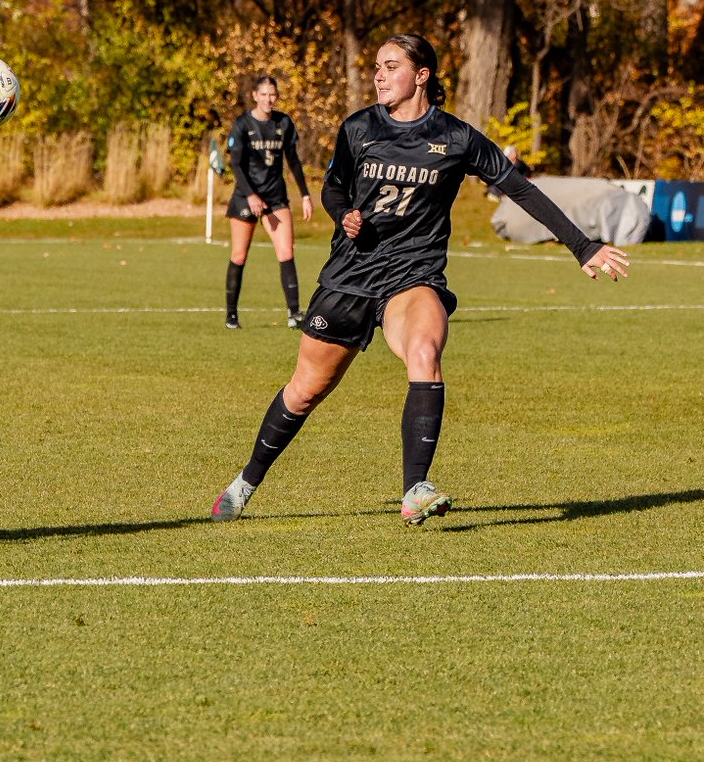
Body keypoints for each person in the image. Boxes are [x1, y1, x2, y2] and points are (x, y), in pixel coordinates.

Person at [212, 34, 629, 525]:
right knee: (305, 389)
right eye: (376, 67)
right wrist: (343, 213)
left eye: (390, 66)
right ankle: (245, 483)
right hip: (350, 276)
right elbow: (333, 187)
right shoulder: (359, 127)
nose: (379, 75)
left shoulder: (457, 138)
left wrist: (583, 245)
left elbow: (519, 189)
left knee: (425, 352)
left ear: (422, 74)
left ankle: (416, 488)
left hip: (414, 274)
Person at [224, 75, 314, 329]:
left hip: (275, 197)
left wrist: (305, 195)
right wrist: (251, 195)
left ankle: (294, 314)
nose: (268, 99)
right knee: (239, 254)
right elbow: (236, 165)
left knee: (286, 251)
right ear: (255, 95)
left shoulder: (283, 122)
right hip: (246, 195)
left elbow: (293, 161)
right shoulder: (243, 124)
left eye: (272, 94)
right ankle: (231, 315)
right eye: (263, 94)